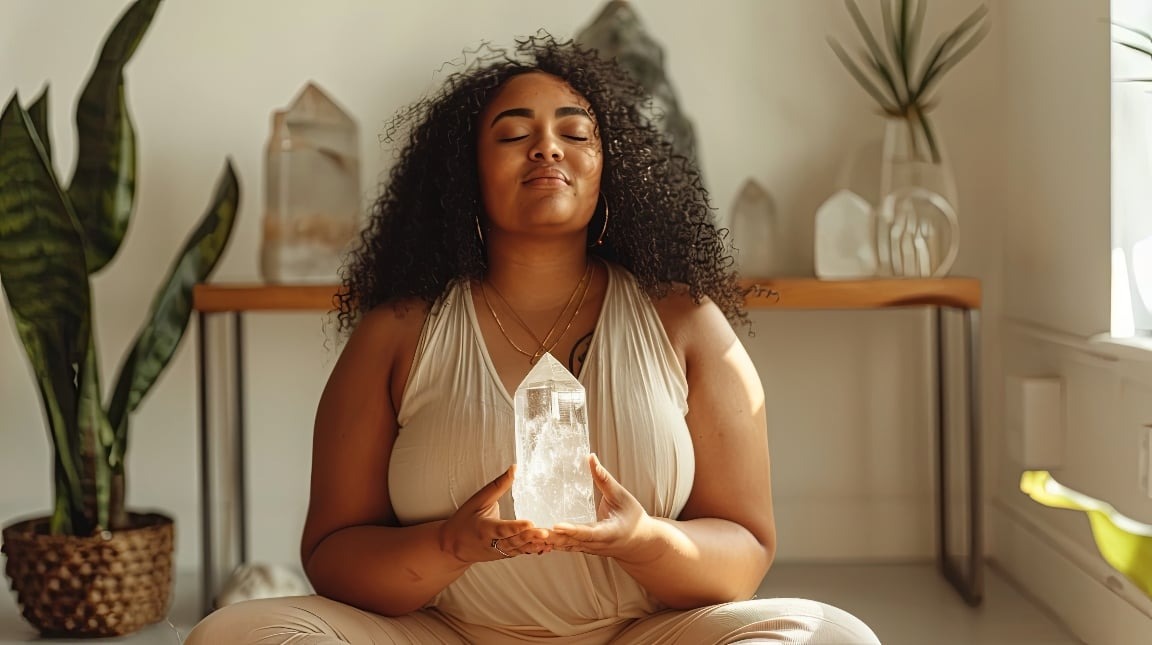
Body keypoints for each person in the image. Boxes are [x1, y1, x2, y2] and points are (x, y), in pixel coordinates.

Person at [186, 33, 879, 644]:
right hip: (443, 634)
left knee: (836, 637)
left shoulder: (684, 320)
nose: (547, 145)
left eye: (575, 133)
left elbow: (747, 547)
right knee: (236, 633)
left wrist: (643, 540)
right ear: (465, 178)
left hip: (645, 635)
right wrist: (450, 544)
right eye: (514, 134)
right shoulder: (400, 329)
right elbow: (333, 552)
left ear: (612, 172)